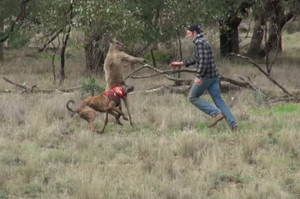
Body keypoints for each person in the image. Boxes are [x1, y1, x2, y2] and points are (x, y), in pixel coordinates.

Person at [169, 24, 238, 132]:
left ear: (194, 33)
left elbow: (203, 61)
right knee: (219, 101)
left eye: (189, 33)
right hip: (214, 76)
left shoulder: (198, 42)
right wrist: (181, 63)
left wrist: (199, 76)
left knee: (192, 97)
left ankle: (216, 114)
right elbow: (198, 58)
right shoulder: (203, 41)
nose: (188, 36)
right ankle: (233, 125)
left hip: (206, 77)